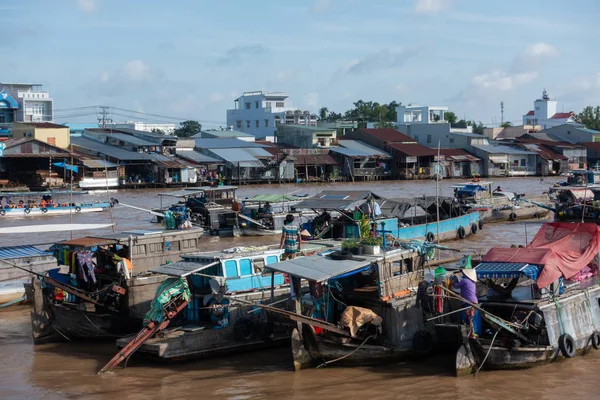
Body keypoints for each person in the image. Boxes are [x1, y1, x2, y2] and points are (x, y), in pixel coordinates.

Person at [451, 268, 479, 338]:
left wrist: (453, 281)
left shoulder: (465, 280)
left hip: (468, 301)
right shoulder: (472, 282)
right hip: (474, 301)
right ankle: (472, 332)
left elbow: (456, 286)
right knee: (471, 318)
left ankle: (471, 334)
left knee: (468, 318)